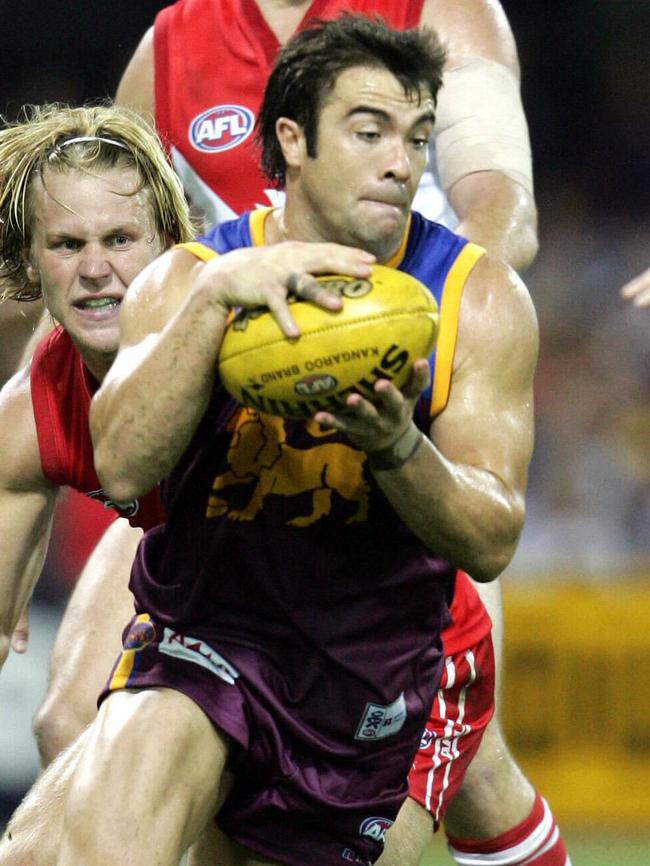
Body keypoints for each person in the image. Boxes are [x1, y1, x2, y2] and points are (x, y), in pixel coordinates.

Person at [43, 16, 537, 866]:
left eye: (418, 137)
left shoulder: (476, 300)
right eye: (370, 131)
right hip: (213, 635)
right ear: (292, 139)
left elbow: (491, 540)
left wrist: (397, 448)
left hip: (372, 675)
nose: (403, 163)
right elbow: (120, 465)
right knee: (92, 836)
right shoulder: (191, 278)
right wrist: (209, 311)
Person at [0, 103, 195, 766]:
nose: (93, 268)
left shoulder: (241, 353)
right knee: (67, 728)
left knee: (483, 797)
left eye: (118, 240)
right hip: (193, 566)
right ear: (31, 263)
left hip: (349, 598)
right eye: (66, 244)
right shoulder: (30, 415)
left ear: (169, 246)